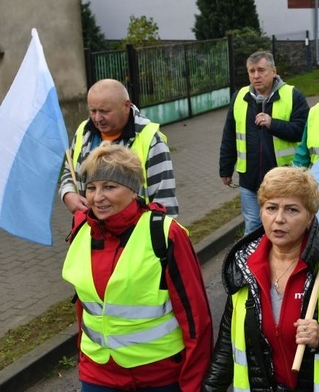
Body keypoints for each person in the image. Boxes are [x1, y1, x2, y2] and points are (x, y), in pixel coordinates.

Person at [202, 167, 319, 391]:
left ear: (309, 217)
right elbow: (226, 346)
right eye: (271, 208)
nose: (279, 219)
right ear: (261, 212)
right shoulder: (244, 267)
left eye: (291, 210)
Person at [62, 143, 212, 391]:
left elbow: (196, 318)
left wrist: (193, 383)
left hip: (158, 376)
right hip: (97, 374)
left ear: (133, 191)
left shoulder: (165, 234)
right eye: (91, 188)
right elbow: (84, 307)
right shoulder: (81, 230)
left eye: (109, 187)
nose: (97, 198)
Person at [220, 51, 309, 235]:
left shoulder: (292, 95)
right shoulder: (239, 97)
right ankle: (251, 263)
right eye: (251, 71)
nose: (256, 76)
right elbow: (229, 135)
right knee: (253, 227)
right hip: (249, 180)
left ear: (274, 71)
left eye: (261, 70)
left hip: (283, 180)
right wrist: (225, 169)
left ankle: (280, 262)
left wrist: (273, 124)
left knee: (282, 228)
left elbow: (302, 131)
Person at [59, 79, 179, 216]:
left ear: (126, 106)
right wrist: (67, 193)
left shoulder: (150, 139)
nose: (97, 118)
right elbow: (70, 170)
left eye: (104, 111)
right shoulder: (83, 131)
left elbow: (164, 201)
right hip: (92, 231)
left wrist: (159, 234)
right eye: (93, 111)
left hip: (135, 233)